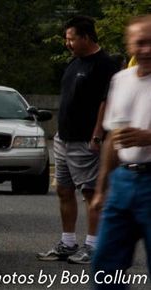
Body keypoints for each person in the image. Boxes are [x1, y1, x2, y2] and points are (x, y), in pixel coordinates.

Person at [37, 16, 119, 264]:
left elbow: (108, 101)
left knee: (91, 192)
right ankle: (68, 242)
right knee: (63, 189)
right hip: (63, 139)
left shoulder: (105, 64)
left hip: (86, 140)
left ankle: (93, 246)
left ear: (86, 36)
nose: (67, 43)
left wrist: (98, 134)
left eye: (71, 38)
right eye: (66, 38)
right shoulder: (74, 63)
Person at [91, 15, 151, 289]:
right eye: (140, 42)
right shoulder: (121, 80)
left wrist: (145, 137)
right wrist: (102, 189)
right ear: (130, 45)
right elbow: (112, 139)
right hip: (123, 182)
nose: (146, 49)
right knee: (105, 265)